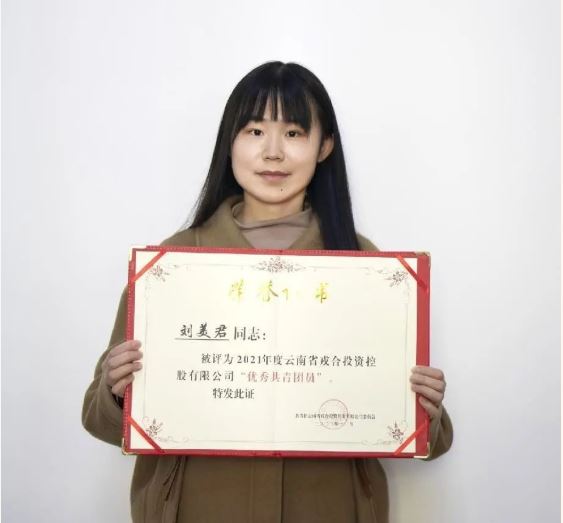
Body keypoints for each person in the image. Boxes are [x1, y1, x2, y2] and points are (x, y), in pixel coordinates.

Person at [82, 60, 453, 523]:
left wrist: (424, 406)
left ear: (324, 146)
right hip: (196, 507)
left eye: (294, 133)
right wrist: (117, 391)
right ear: (230, 142)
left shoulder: (368, 267)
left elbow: (427, 439)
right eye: (255, 131)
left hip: (329, 508)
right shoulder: (171, 265)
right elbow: (98, 419)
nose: (273, 152)